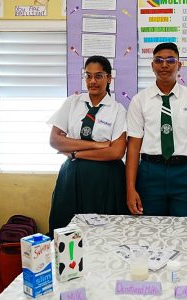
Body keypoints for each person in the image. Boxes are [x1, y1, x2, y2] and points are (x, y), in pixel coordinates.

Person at [126, 42, 187, 216]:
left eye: (170, 60)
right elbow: (133, 146)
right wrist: (130, 188)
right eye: (159, 60)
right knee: (149, 229)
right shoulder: (139, 100)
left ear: (179, 65)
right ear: (152, 66)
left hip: (185, 173)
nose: (164, 65)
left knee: (186, 228)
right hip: (150, 173)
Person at [48, 55, 128, 235]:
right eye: (88, 76)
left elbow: (116, 152)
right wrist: (98, 146)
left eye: (99, 76)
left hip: (106, 178)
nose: (93, 81)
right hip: (73, 177)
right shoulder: (72, 103)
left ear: (109, 78)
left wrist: (76, 153)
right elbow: (55, 140)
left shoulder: (118, 110)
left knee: (105, 231)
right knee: (69, 230)